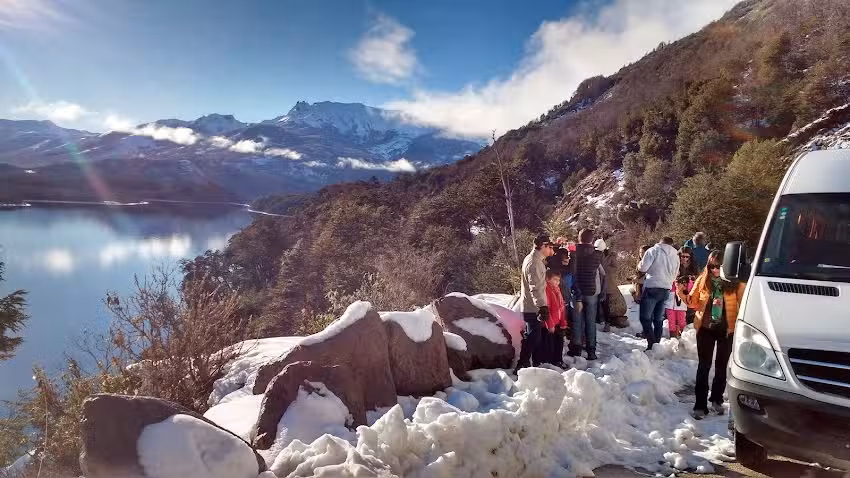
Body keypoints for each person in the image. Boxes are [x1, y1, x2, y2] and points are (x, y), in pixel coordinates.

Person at [676, 250, 746, 420]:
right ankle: (700, 405)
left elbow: (744, 305)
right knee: (703, 366)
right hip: (705, 328)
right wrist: (681, 292)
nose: (715, 269)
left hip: (727, 329)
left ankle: (716, 399)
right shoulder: (702, 280)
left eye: (718, 266)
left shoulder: (736, 283)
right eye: (712, 266)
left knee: (721, 366)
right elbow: (692, 303)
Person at [516, 234, 555, 371]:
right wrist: (542, 306)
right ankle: (522, 364)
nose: (550, 250)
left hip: (532, 305)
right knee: (533, 336)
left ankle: (532, 364)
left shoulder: (535, 260)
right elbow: (535, 287)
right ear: (543, 246)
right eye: (549, 247)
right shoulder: (534, 263)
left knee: (533, 335)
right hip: (532, 307)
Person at [638, 237, 680, 350]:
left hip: (652, 286)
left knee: (645, 317)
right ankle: (656, 344)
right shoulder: (675, 255)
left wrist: (640, 265)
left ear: (660, 242)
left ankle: (651, 343)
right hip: (666, 288)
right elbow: (675, 274)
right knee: (658, 318)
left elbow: (643, 268)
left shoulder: (653, 251)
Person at [569, 229, 603, 360]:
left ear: (579, 238)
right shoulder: (597, 254)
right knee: (590, 322)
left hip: (576, 291)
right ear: (592, 239)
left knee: (577, 322)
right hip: (591, 291)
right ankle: (591, 351)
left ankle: (577, 349)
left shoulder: (573, 253)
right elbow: (602, 273)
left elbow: (572, 272)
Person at [665, 247, 697, 338]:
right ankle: (673, 336)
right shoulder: (674, 264)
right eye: (683, 256)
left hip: (684, 294)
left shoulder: (693, 266)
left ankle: (684, 336)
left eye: (687, 257)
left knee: (681, 317)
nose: (685, 259)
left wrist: (690, 279)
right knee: (671, 317)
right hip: (672, 292)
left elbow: (696, 279)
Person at [544, 269, 567, 367]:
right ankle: (551, 362)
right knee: (550, 344)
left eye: (558, 280)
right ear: (548, 279)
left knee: (559, 341)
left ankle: (558, 360)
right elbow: (547, 308)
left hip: (558, 322)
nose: (557, 282)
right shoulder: (547, 290)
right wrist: (550, 324)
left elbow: (562, 307)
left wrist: (563, 322)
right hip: (550, 323)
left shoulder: (557, 290)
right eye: (555, 279)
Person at [596, 238, 620, 333]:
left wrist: (605, 270)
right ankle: (599, 319)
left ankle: (607, 322)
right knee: (598, 302)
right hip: (598, 281)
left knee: (605, 303)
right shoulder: (595, 255)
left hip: (608, 282)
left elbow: (615, 268)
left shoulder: (611, 256)